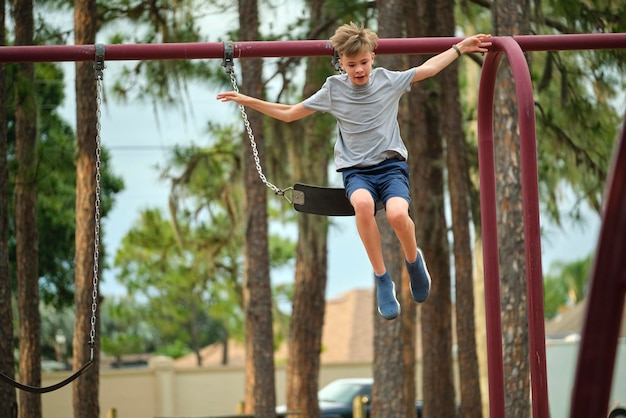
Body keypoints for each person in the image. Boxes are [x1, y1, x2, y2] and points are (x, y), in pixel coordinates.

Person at [217, 23, 492, 320]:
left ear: (372, 57)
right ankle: (382, 278)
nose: (359, 70)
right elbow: (289, 113)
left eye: (363, 62)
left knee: (398, 214)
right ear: (341, 63)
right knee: (362, 204)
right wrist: (247, 100)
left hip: (390, 167)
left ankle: (414, 262)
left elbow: (428, 69)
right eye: (351, 65)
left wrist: (459, 48)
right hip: (356, 171)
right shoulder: (334, 89)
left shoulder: (388, 81)